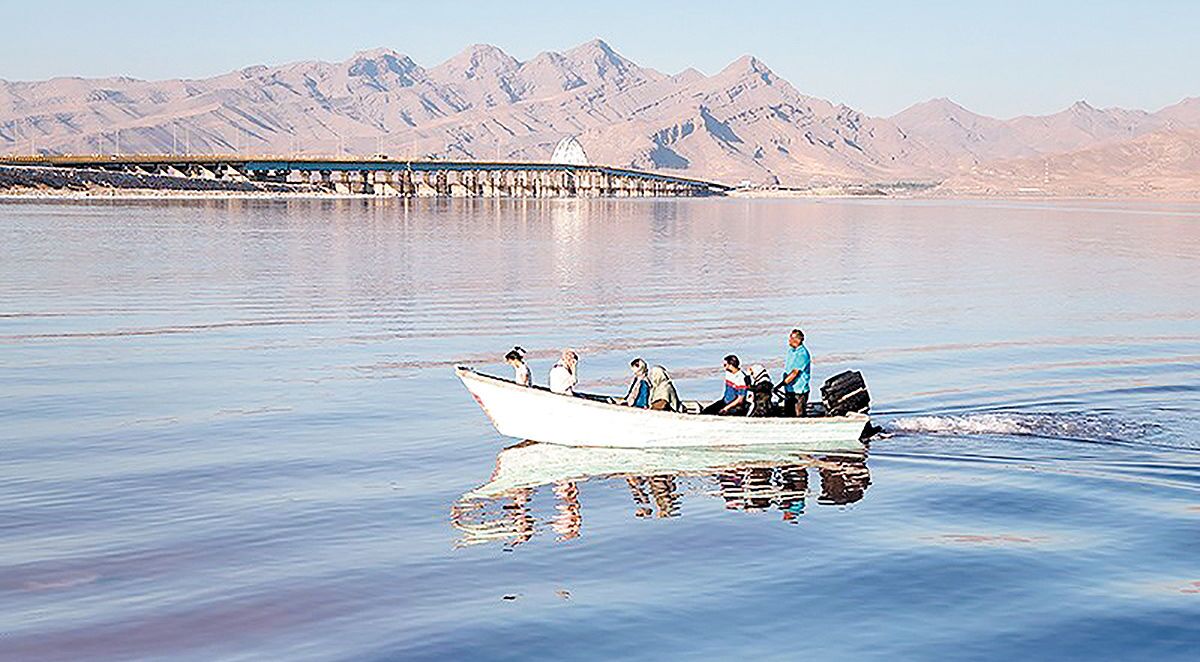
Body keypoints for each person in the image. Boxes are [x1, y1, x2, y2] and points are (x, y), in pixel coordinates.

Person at [779, 329, 811, 417]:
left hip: (799, 391)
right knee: (788, 414)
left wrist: (781, 384)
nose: (789, 340)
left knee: (798, 415)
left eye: (791, 338)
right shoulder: (791, 351)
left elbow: (794, 373)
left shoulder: (802, 354)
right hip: (789, 389)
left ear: (798, 340)